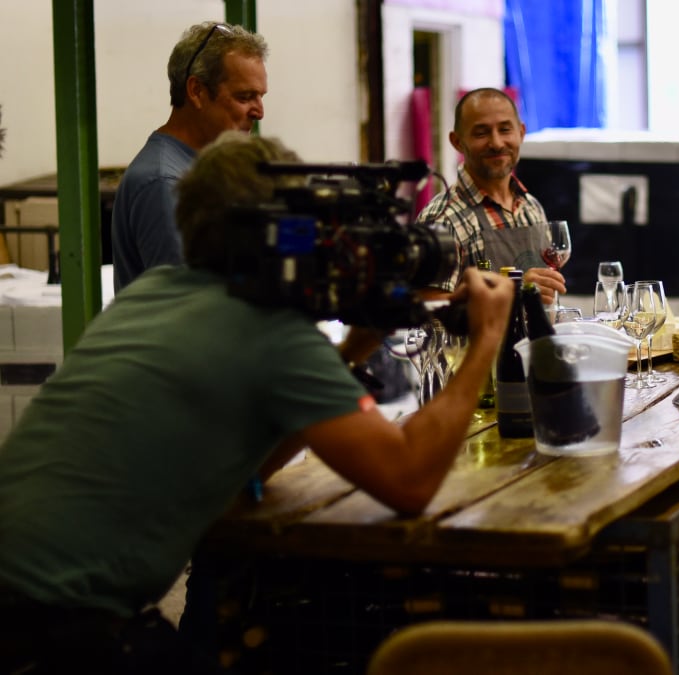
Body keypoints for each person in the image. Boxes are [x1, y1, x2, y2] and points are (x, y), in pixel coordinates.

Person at [0, 132, 513, 673]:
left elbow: (238, 471)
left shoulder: (149, 293)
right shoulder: (273, 331)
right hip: (56, 630)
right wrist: (485, 341)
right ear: (283, 229)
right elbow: (408, 481)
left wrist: (353, 348)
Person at [111, 21, 268, 292]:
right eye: (244, 97)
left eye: (260, 97)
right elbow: (186, 305)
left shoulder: (205, 169)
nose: (259, 112)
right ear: (196, 91)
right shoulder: (164, 182)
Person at [416, 87, 563, 304]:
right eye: (481, 133)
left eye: (505, 130)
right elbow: (427, 305)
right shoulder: (442, 219)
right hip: (478, 340)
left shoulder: (532, 207)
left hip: (534, 339)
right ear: (457, 142)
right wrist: (513, 293)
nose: (496, 143)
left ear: (521, 133)